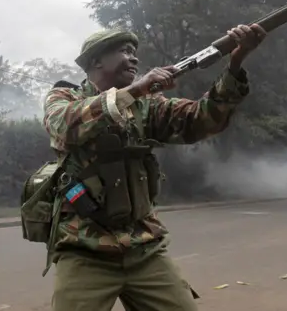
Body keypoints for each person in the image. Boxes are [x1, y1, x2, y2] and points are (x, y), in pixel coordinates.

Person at [42, 23, 266, 311]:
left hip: (143, 247)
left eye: (135, 52)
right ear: (96, 61)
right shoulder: (64, 97)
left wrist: (235, 63)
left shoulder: (146, 105)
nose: (134, 58)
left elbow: (202, 120)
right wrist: (136, 90)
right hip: (84, 249)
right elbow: (65, 125)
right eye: (124, 51)